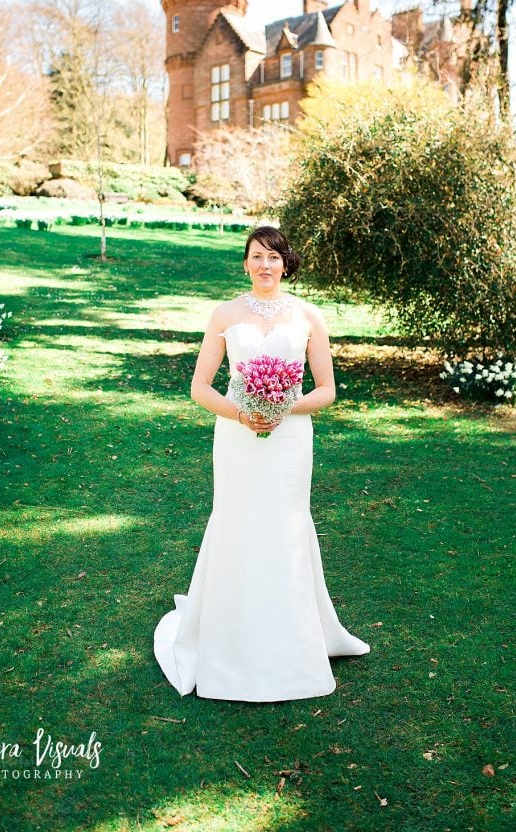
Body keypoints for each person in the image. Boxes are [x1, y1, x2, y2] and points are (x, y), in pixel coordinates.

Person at [153, 225, 370, 702]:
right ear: (245, 264)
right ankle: (232, 636)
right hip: (236, 439)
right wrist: (243, 414)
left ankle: (299, 636)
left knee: (287, 525)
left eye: (274, 256)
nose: (265, 265)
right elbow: (200, 387)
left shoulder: (309, 315)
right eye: (257, 257)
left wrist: (279, 408)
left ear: (286, 263)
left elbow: (327, 391)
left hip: (291, 442)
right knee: (238, 523)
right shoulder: (226, 314)